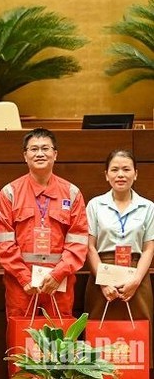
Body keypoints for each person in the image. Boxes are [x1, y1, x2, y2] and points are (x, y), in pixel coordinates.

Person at [0, 128, 88, 328]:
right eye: (33, 149)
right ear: (25, 156)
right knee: (21, 342)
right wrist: (24, 277)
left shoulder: (72, 193)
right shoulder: (9, 193)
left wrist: (58, 274)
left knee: (58, 342)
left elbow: (78, 241)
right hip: (21, 285)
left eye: (45, 148)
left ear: (55, 154)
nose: (39, 153)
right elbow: (4, 243)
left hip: (59, 282)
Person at [85, 149, 153, 365]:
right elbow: (89, 247)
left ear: (136, 174)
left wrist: (135, 280)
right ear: (106, 174)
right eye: (115, 170)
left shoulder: (148, 207)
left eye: (126, 169)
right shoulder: (95, 205)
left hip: (137, 273)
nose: (120, 174)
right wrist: (104, 282)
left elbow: (149, 248)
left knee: (138, 336)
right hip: (102, 272)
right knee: (99, 332)